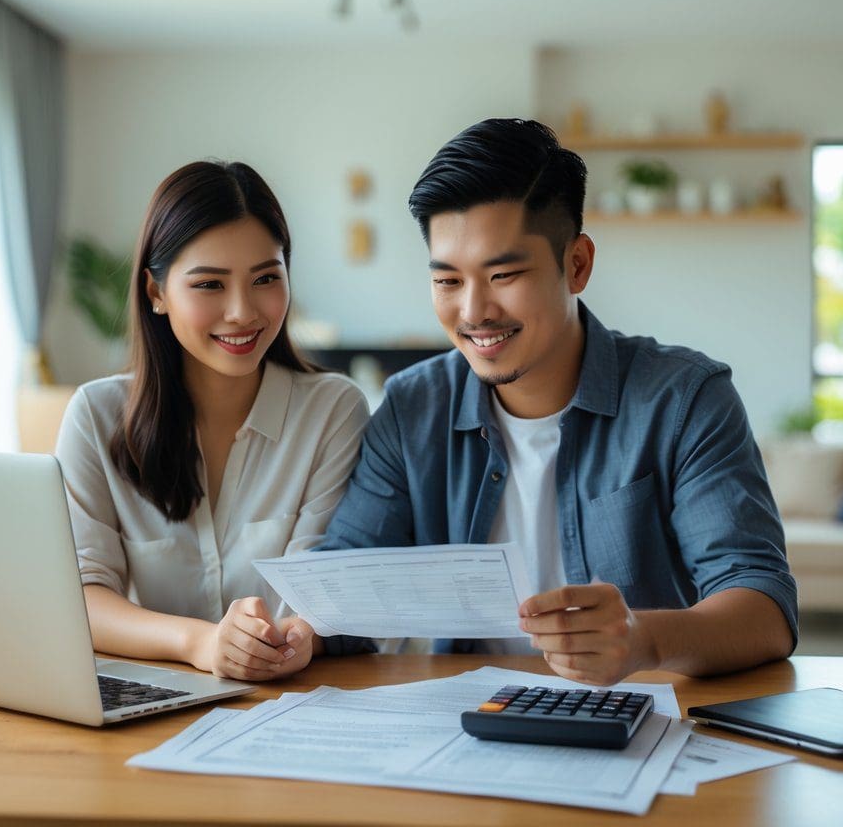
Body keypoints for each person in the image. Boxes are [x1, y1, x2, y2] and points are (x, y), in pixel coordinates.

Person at [320, 119, 797, 685]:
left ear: (577, 264)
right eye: (448, 282)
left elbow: (763, 606)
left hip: (640, 722)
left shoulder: (685, 399)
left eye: (503, 274)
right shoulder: (412, 407)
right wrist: (295, 631)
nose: (474, 312)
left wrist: (645, 640)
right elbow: (339, 586)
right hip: (465, 726)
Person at [56, 161, 369, 682]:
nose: (243, 312)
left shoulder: (333, 411)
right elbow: (81, 598)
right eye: (209, 285)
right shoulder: (95, 416)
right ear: (156, 293)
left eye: (266, 277)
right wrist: (199, 642)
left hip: (291, 703)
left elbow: (317, 590)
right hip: (151, 704)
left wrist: (297, 636)